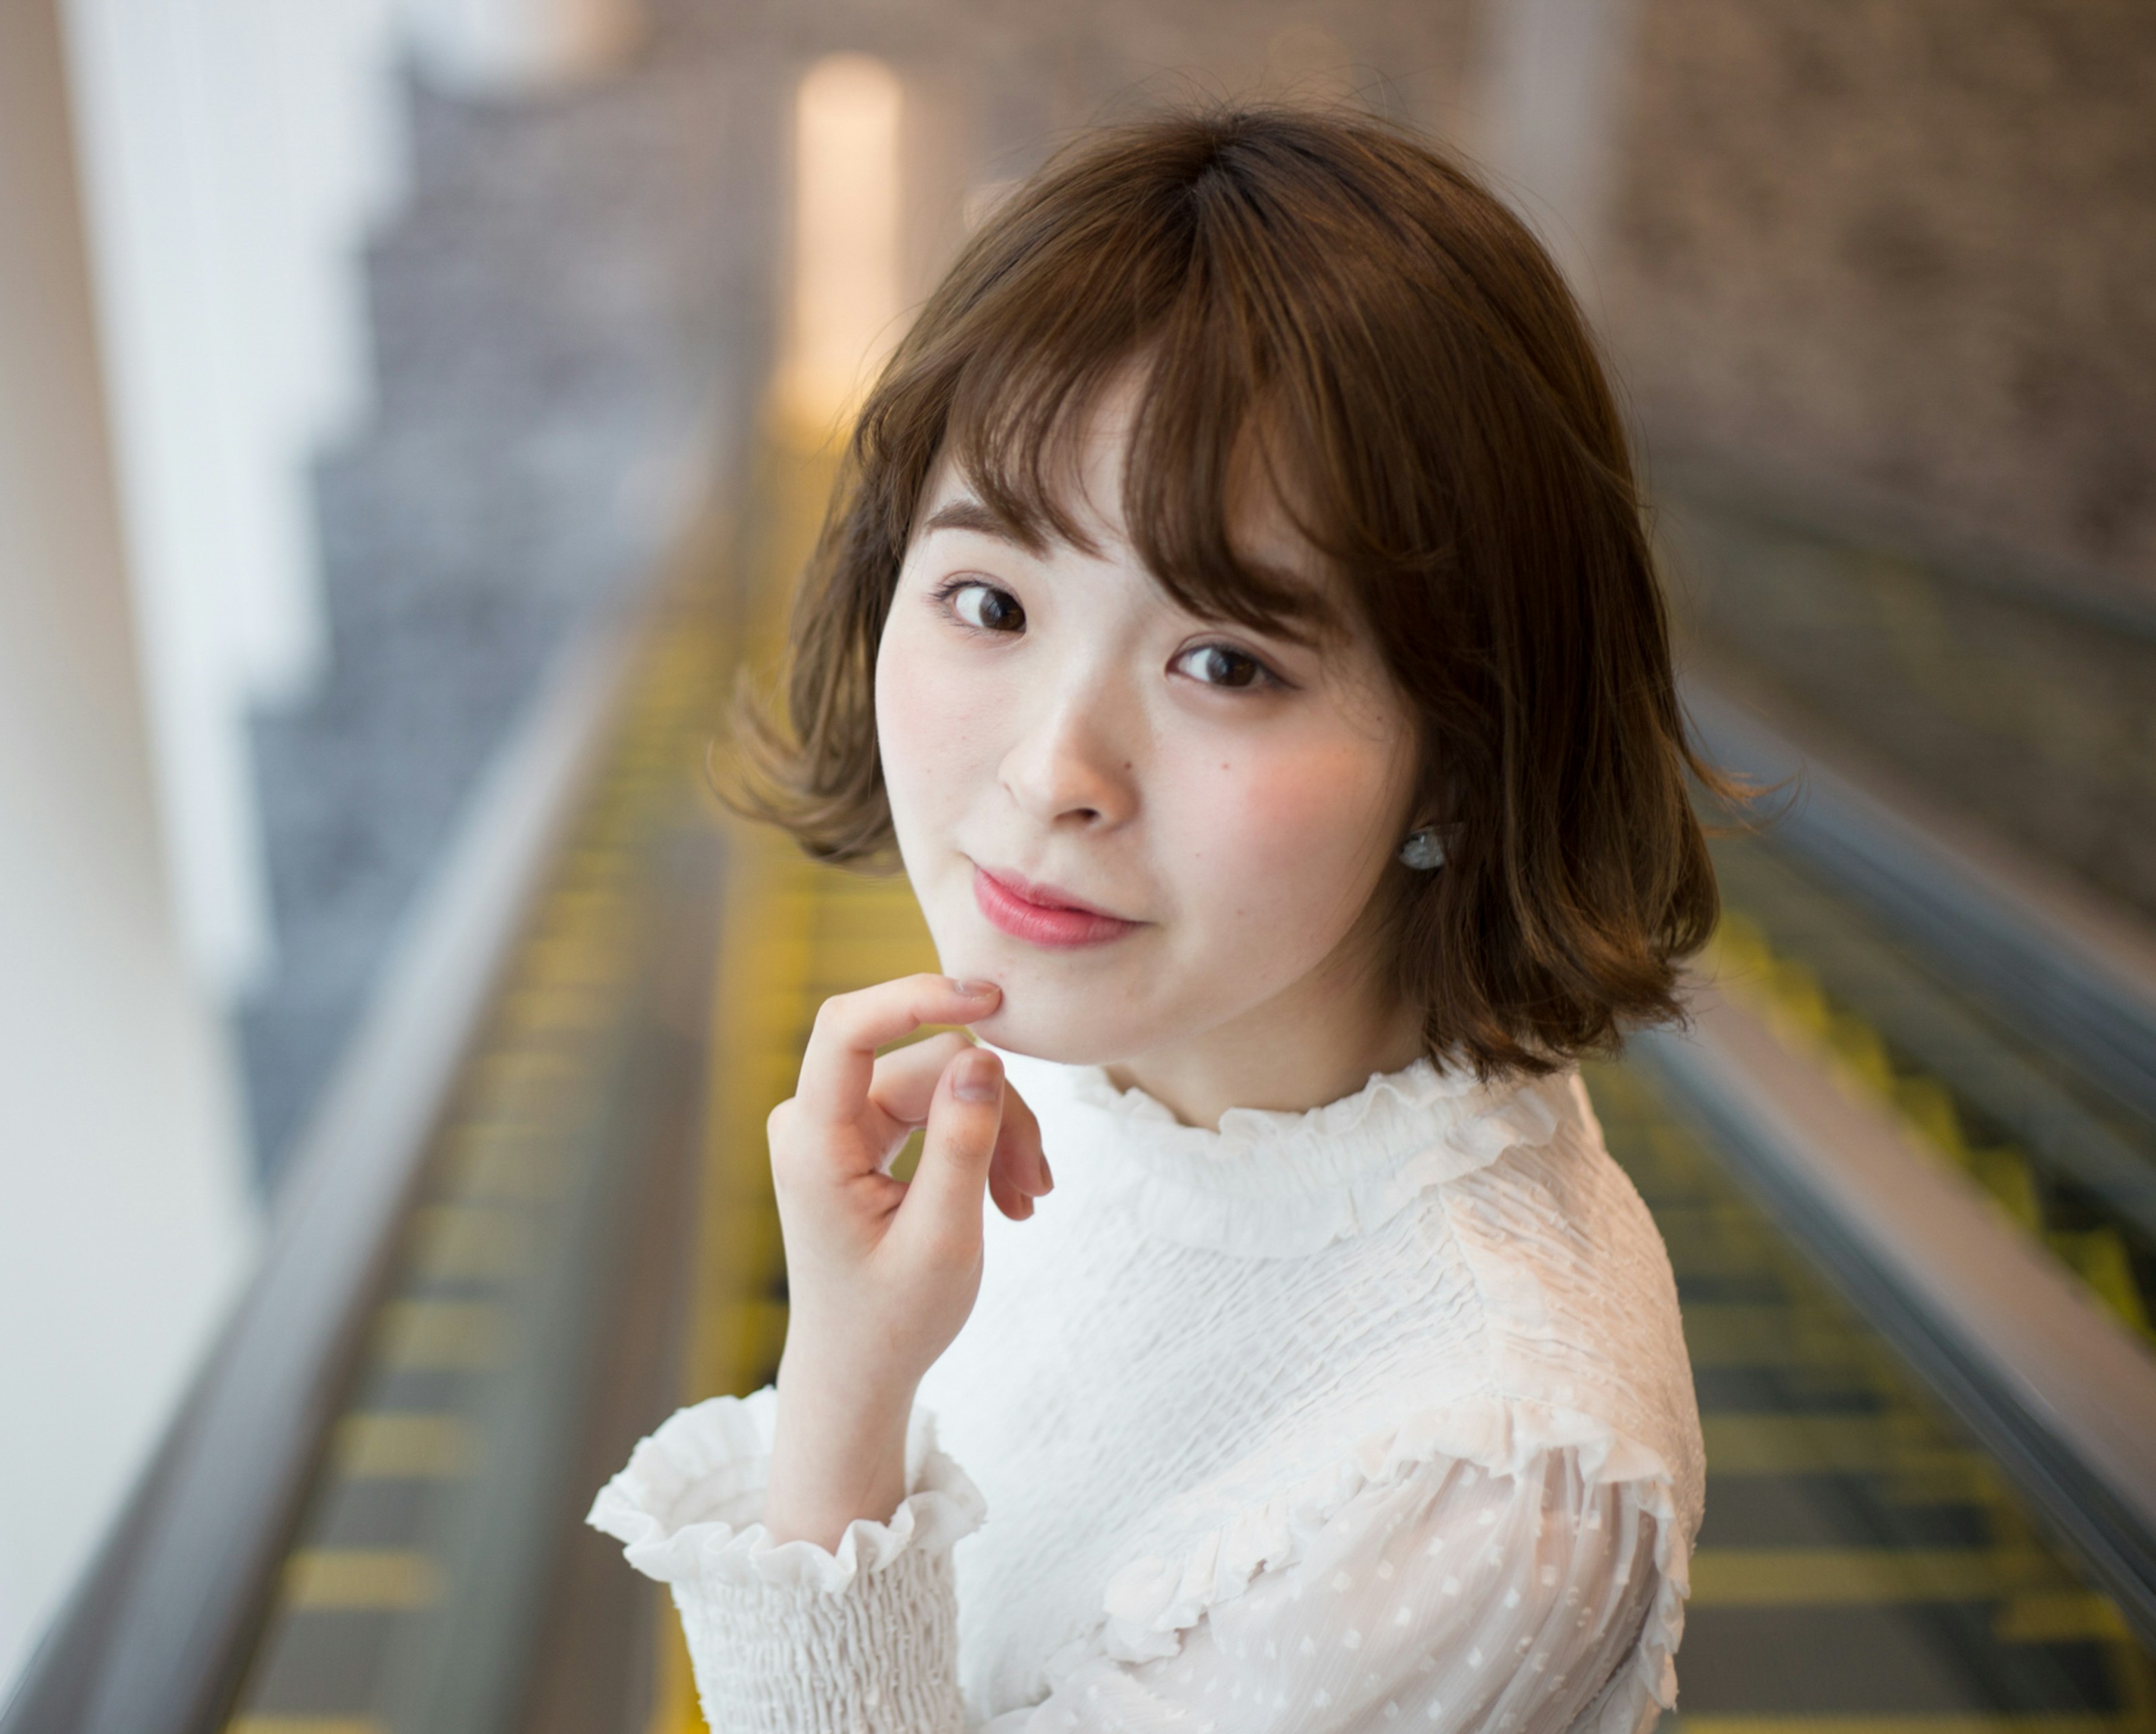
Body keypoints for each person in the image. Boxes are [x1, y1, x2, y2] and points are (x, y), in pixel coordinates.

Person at [589, 104, 1720, 1733]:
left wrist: (843, 1398)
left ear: (1467, 750)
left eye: (1227, 661)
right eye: (991, 600)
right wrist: (853, 1360)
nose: (1056, 769)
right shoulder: (1126, 1040)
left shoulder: (1485, 1479)